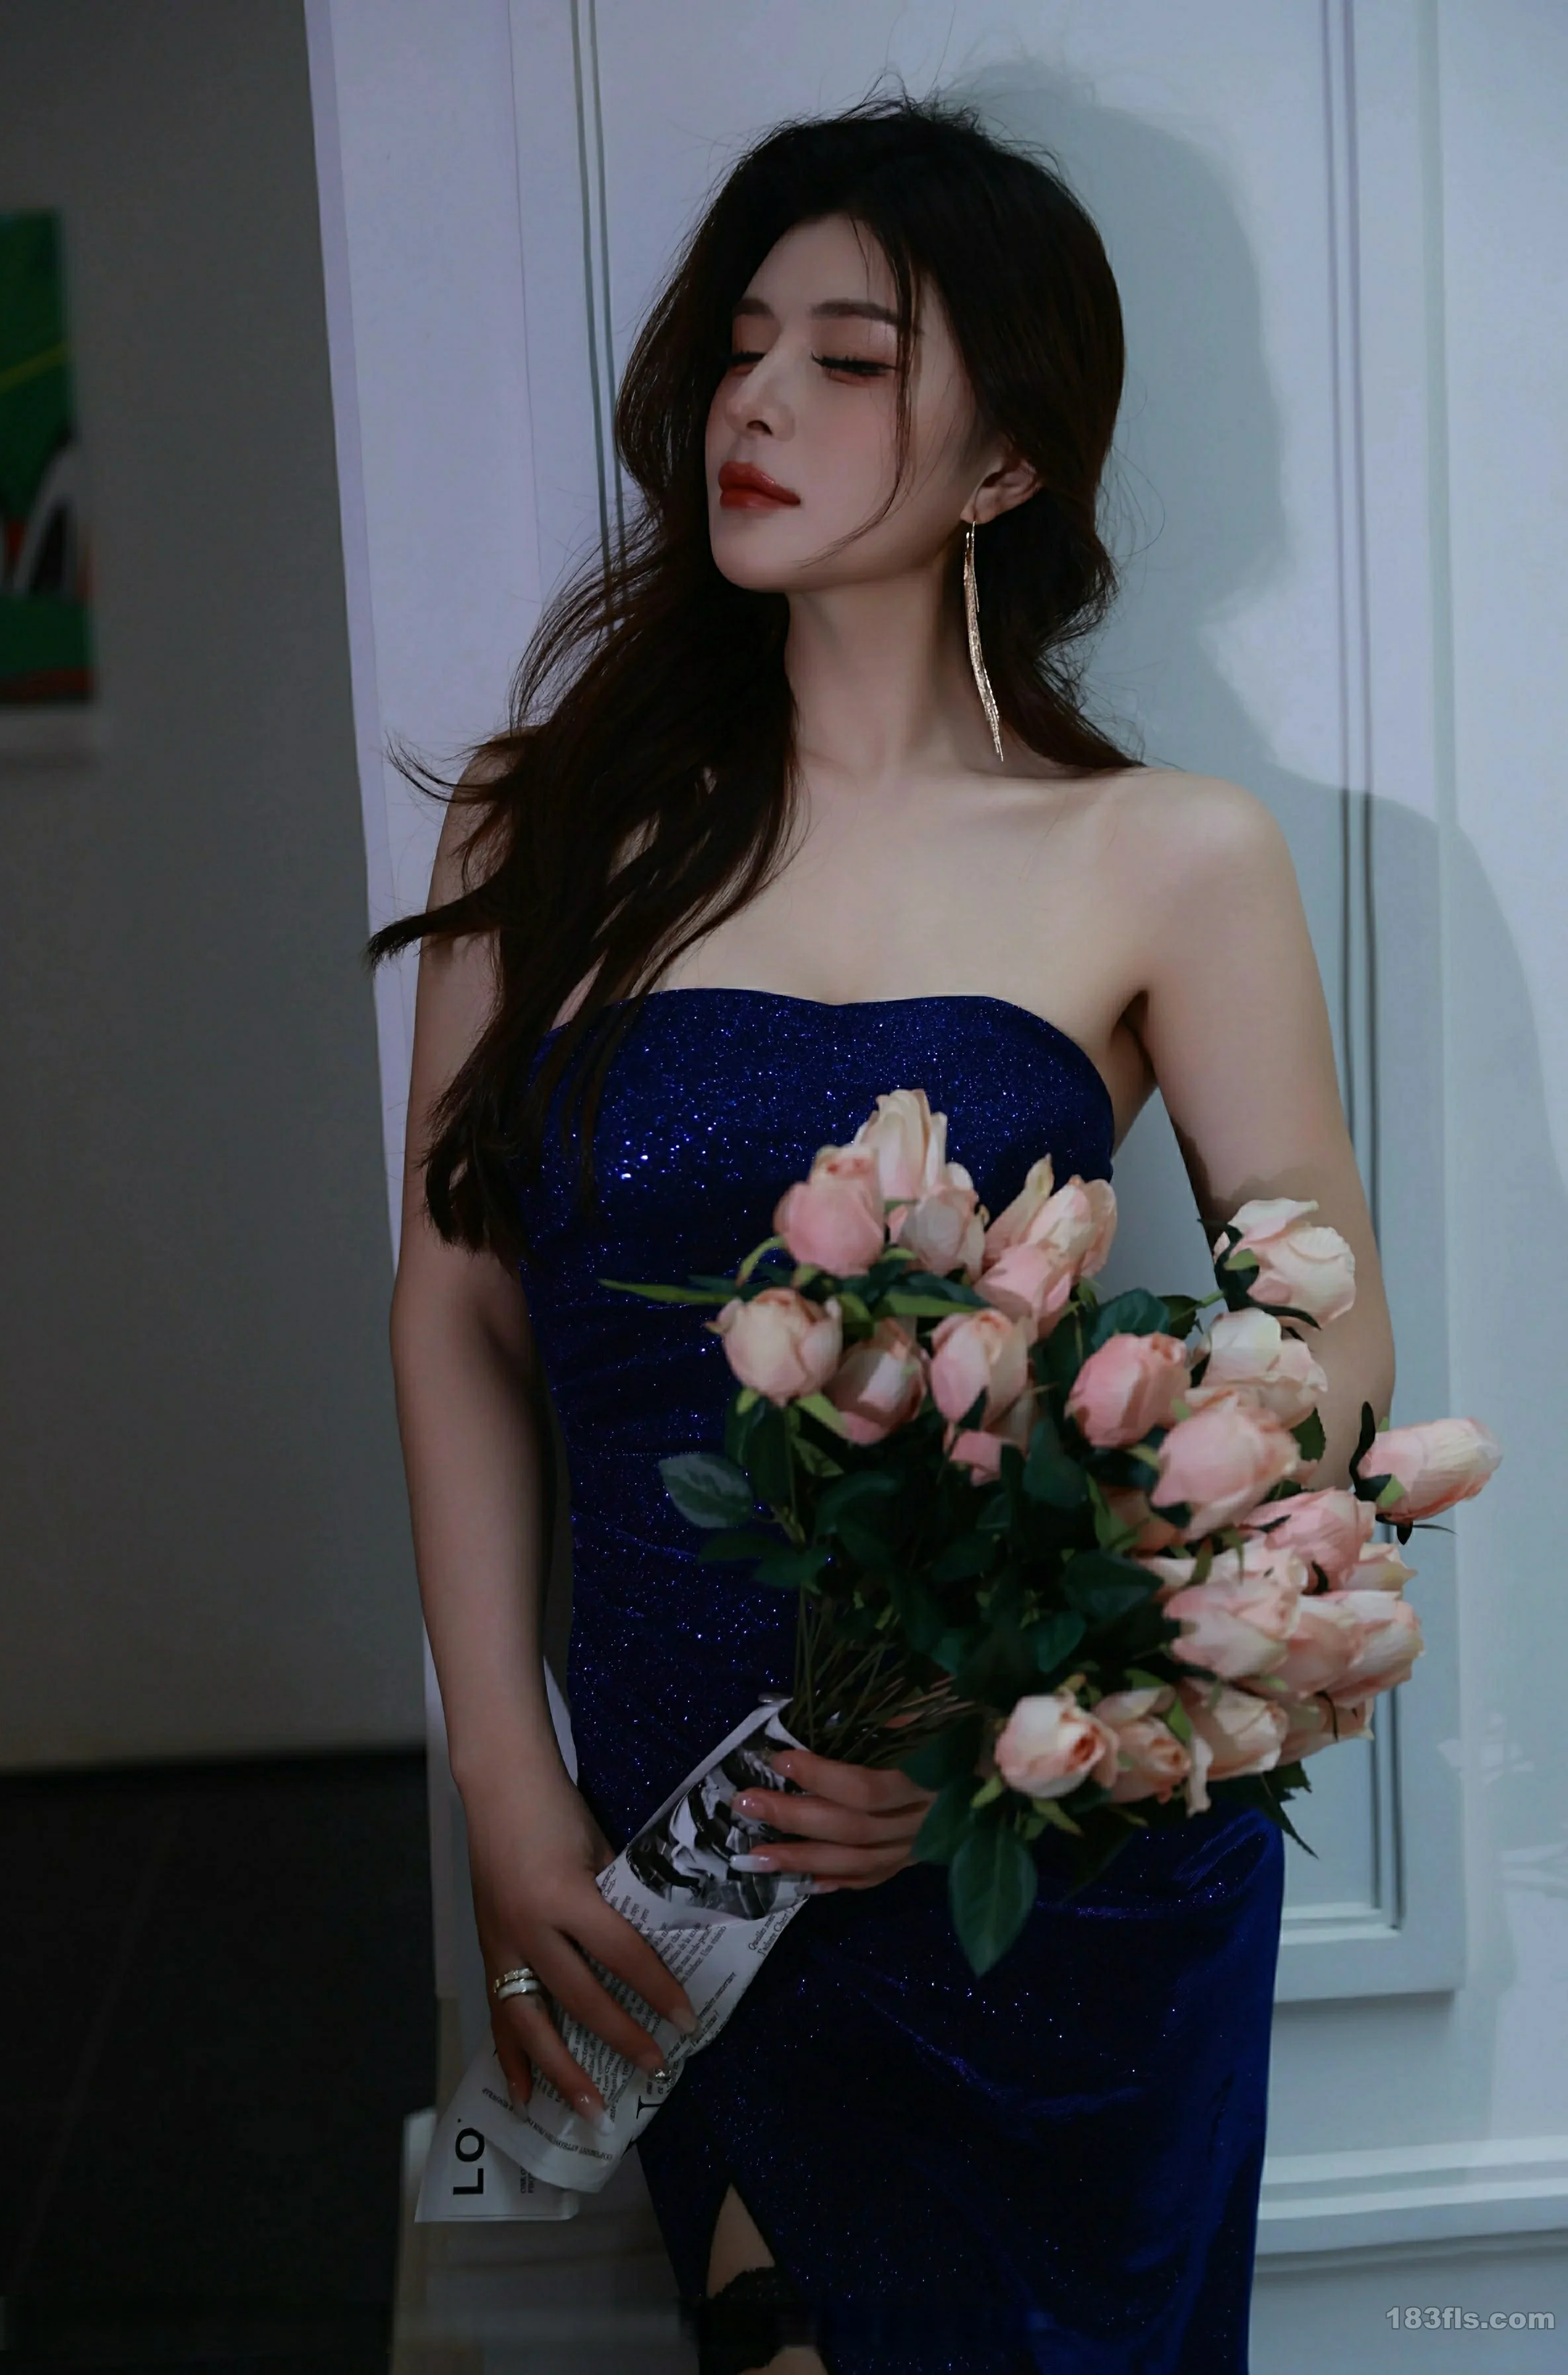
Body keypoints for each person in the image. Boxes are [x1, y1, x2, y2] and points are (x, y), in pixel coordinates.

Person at [374, 94, 1395, 2375]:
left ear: (1007, 459)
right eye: (744, 347)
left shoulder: (1168, 855)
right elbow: (454, 1311)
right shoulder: (542, 829)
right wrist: (506, 1785)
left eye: (850, 359)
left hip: (1029, 1848)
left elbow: (1327, 1345)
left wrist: (1031, 1692)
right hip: (689, 1839)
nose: (758, 401)